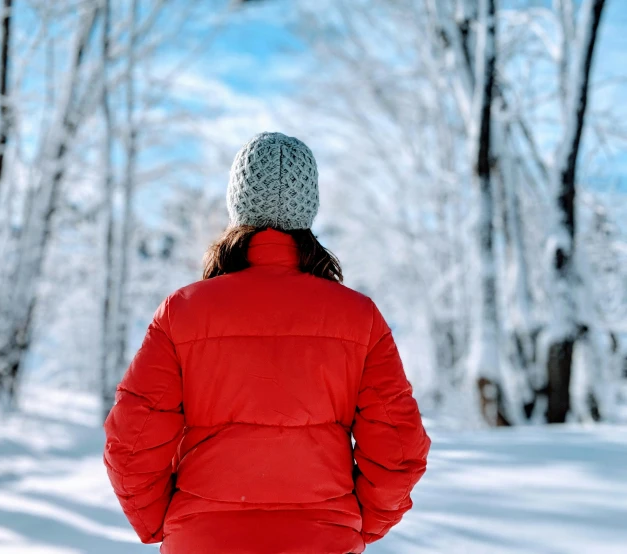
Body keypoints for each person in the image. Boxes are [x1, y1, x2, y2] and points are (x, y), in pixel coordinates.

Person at [103, 132, 431, 554]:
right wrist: (356, 524)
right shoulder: (359, 317)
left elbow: (131, 440)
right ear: (307, 208)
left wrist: (161, 523)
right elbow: (399, 448)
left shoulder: (181, 312)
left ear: (237, 206)